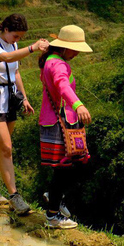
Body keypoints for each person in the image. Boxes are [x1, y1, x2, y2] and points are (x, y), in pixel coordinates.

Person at [0, 13, 49, 215]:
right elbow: (6, 58)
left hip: (9, 101)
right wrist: (32, 48)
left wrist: (24, 98)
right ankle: (15, 196)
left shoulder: (14, 45)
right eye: (16, 36)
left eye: (20, 37)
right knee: (7, 148)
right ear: (6, 30)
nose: (17, 40)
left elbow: (15, 72)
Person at [38, 25, 93, 229]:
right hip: (60, 122)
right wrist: (78, 105)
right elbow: (62, 85)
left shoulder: (50, 62)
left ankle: (54, 197)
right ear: (65, 47)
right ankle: (53, 215)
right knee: (66, 167)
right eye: (75, 49)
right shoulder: (59, 65)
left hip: (56, 120)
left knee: (69, 166)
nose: (77, 53)